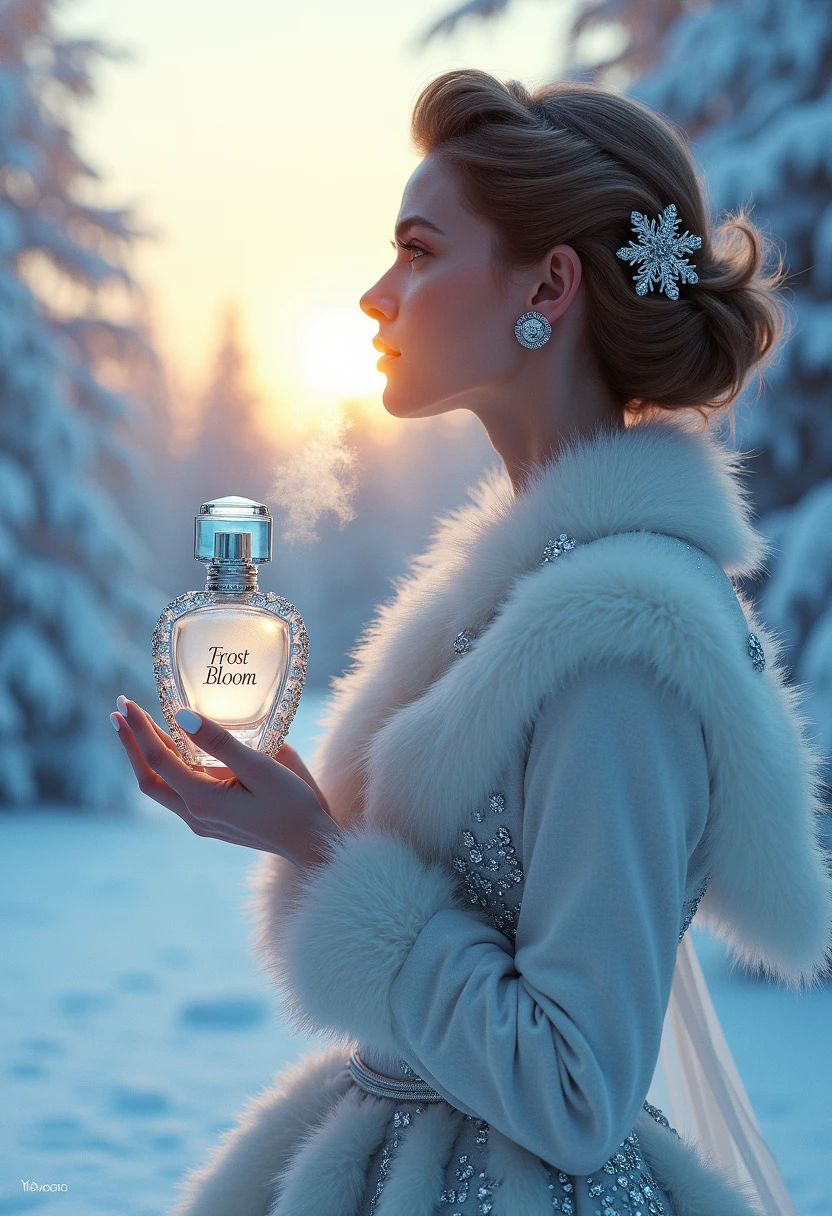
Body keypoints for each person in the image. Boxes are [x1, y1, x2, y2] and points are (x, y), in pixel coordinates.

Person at [111, 69, 832, 1216]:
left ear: (548, 283)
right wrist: (310, 825)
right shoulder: (509, 608)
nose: (373, 294)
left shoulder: (615, 645)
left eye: (417, 249)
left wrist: (327, 854)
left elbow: (575, 1093)